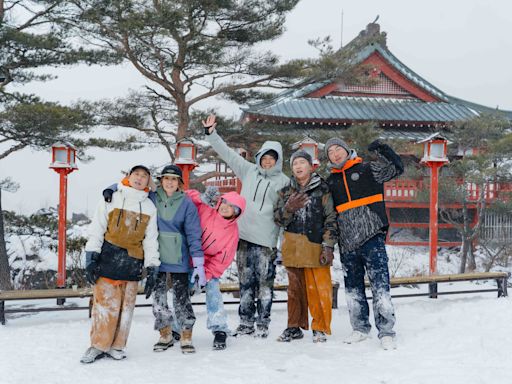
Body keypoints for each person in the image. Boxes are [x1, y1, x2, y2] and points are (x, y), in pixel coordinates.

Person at [102, 164, 205, 354]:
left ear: (179, 183)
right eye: (166, 178)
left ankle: (186, 335)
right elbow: (132, 189)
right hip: (156, 259)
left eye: (174, 179)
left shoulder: (187, 203)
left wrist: (198, 263)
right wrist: (111, 188)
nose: (170, 182)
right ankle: (165, 334)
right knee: (159, 301)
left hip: (179, 259)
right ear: (161, 181)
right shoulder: (152, 198)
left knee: (182, 301)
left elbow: (193, 234)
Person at [203, 114, 289, 338]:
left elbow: (286, 214)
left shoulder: (284, 182)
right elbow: (228, 154)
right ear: (259, 157)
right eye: (264, 157)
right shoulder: (249, 171)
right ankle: (245, 322)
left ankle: (263, 323)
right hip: (242, 238)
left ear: (278, 160)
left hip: (266, 241)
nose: (267, 161)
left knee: (265, 284)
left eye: (272, 158)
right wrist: (212, 134)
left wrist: (283, 243)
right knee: (245, 282)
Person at [324, 138, 404, 350]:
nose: (335, 153)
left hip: (372, 235)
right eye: (330, 151)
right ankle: (359, 327)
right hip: (347, 241)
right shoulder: (329, 182)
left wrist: (383, 149)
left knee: (380, 286)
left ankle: (386, 331)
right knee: (353, 288)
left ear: (347, 149)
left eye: (337, 149)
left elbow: (397, 168)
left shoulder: (368, 169)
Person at [80, 165, 160, 364]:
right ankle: (98, 345)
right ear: (128, 176)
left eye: (144, 176)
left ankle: (117, 346)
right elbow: (97, 227)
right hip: (108, 257)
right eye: (136, 174)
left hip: (133, 261)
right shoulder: (112, 197)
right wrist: (91, 257)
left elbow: (151, 239)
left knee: (126, 308)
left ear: (148, 181)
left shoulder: (150, 206)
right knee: (104, 306)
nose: (139, 178)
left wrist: (152, 267)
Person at [274, 150, 338, 343]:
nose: (299, 167)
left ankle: (319, 327)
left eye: (302, 163)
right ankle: (294, 326)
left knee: (318, 288)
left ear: (311, 166)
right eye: (295, 164)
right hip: (293, 243)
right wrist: (288, 209)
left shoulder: (323, 189)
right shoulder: (286, 191)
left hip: (315, 243)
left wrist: (328, 245)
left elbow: (331, 218)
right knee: (295, 289)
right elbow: (278, 220)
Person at [186, 186, 246, 350]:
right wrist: (201, 197)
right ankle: (179, 327)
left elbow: (222, 259)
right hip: (187, 259)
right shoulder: (206, 210)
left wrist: (205, 274)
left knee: (213, 291)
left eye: (232, 207)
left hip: (207, 268)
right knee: (182, 293)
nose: (226, 207)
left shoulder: (232, 232)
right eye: (225, 202)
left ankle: (219, 328)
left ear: (237, 213)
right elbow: (186, 196)